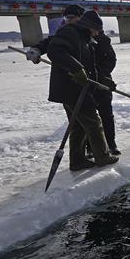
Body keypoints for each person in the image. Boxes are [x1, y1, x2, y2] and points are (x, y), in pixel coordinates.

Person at [47, 10, 119, 171]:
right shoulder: (69, 32)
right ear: (89, 26)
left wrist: (103, 80)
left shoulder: (85, 39)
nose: (97, 33)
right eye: (97, 30)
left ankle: (77, 161)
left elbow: (90, 68)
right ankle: (103, 157)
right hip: (70, 89)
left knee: (79, 126)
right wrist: (75, 68)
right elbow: (54, 51)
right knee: (94, 123)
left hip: (78, 88)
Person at [92, 29, 120, 155]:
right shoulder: (79, 38)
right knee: (89, 118)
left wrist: (101, 75)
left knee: (107, 115)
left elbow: (111, 60)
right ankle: (91, 148)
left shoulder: (103, 40)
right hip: (86, 82)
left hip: (104, 83)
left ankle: (111, 144)